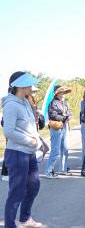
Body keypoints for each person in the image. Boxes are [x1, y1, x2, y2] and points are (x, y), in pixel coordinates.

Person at [2, 71, 43, 228]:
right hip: (17, 153)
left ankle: (25, 219)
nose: (31, 87)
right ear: (20, 86)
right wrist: (30, 141)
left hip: (29, 152)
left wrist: (36, 141)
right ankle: (10, 225)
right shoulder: (11, 105)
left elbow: (30, 126)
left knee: (34, 185)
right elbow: (8, 131)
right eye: (28, 84)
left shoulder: (25, 102)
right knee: (16, 192)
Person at [45, 85, 72, 178]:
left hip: (64, 126)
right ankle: (48, 171)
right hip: (56, 127)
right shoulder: (53, 103)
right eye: (61, 92)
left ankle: (63, 169)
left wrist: (67, 116)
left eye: (64, 92)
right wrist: (64, 117)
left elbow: (69, 112)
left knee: (65, 149)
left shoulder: (64, 103)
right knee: (55, 150)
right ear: (57, 93)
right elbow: (53, 115)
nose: (63, 93)